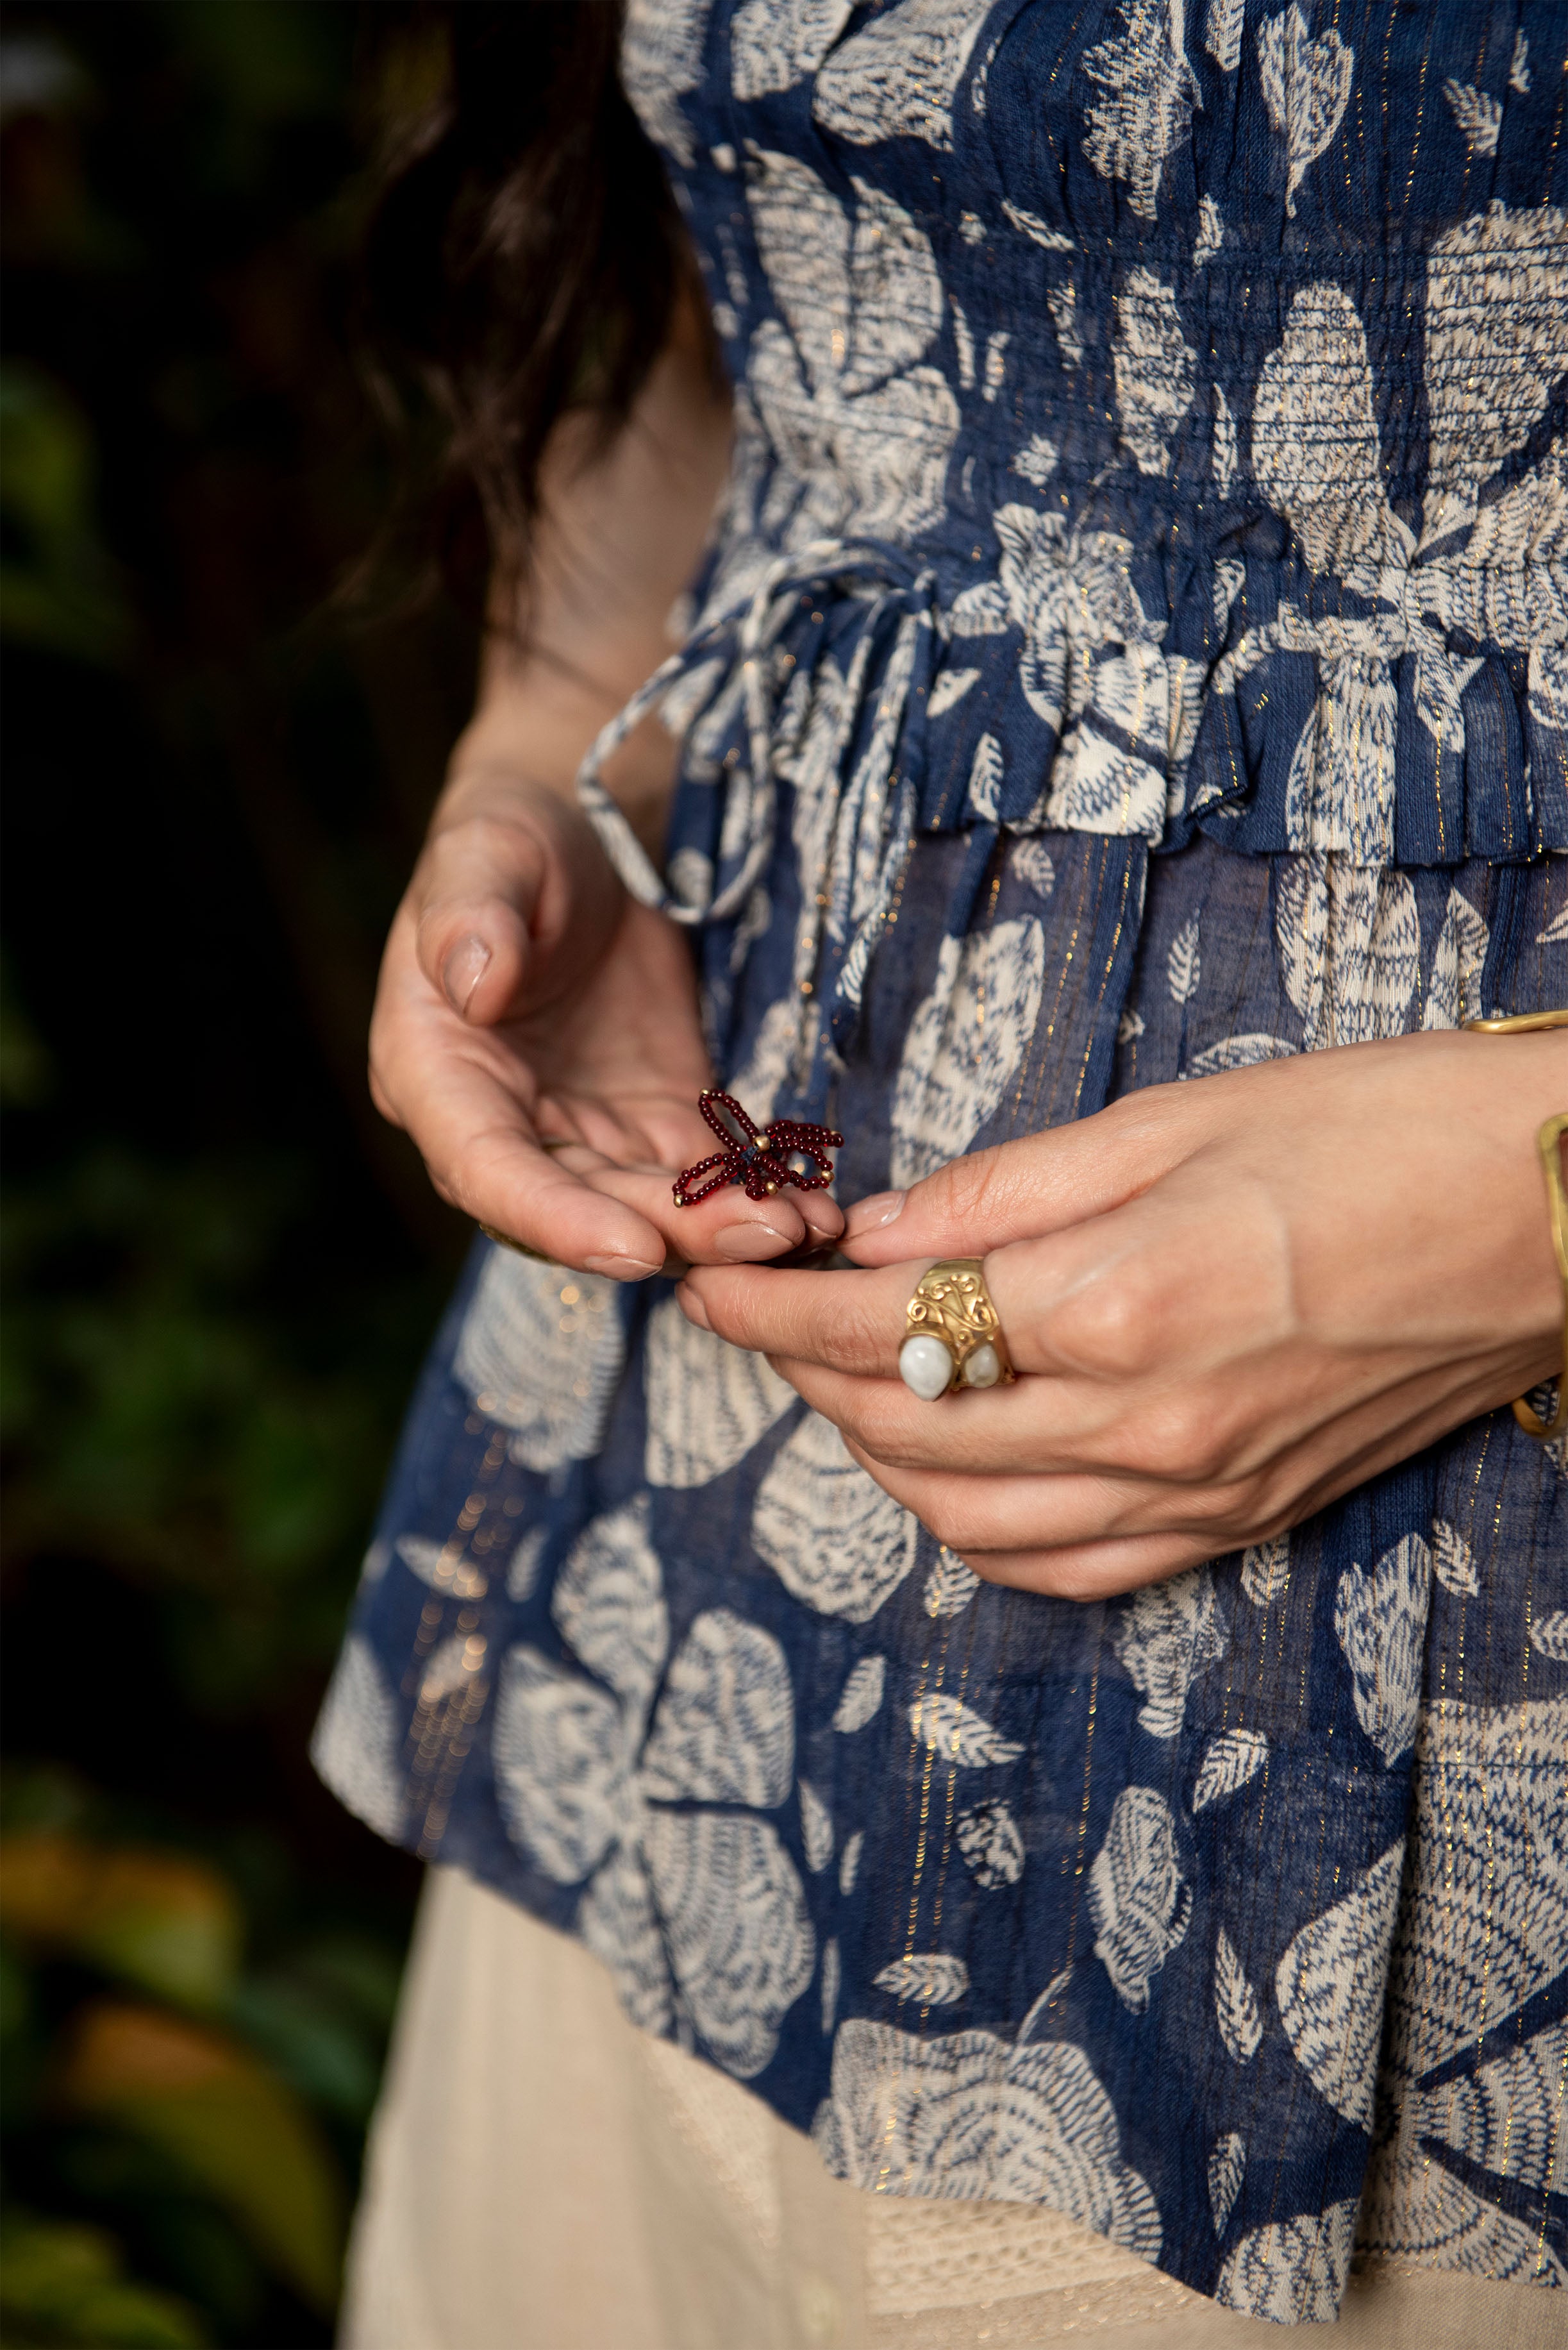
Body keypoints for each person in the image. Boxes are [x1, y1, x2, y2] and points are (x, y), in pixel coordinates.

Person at [315, 4, 1568, 2342]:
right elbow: (718, 262)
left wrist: (1528, 1198)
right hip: (665, 1601)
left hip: (1448, 1729)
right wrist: (568, 750)